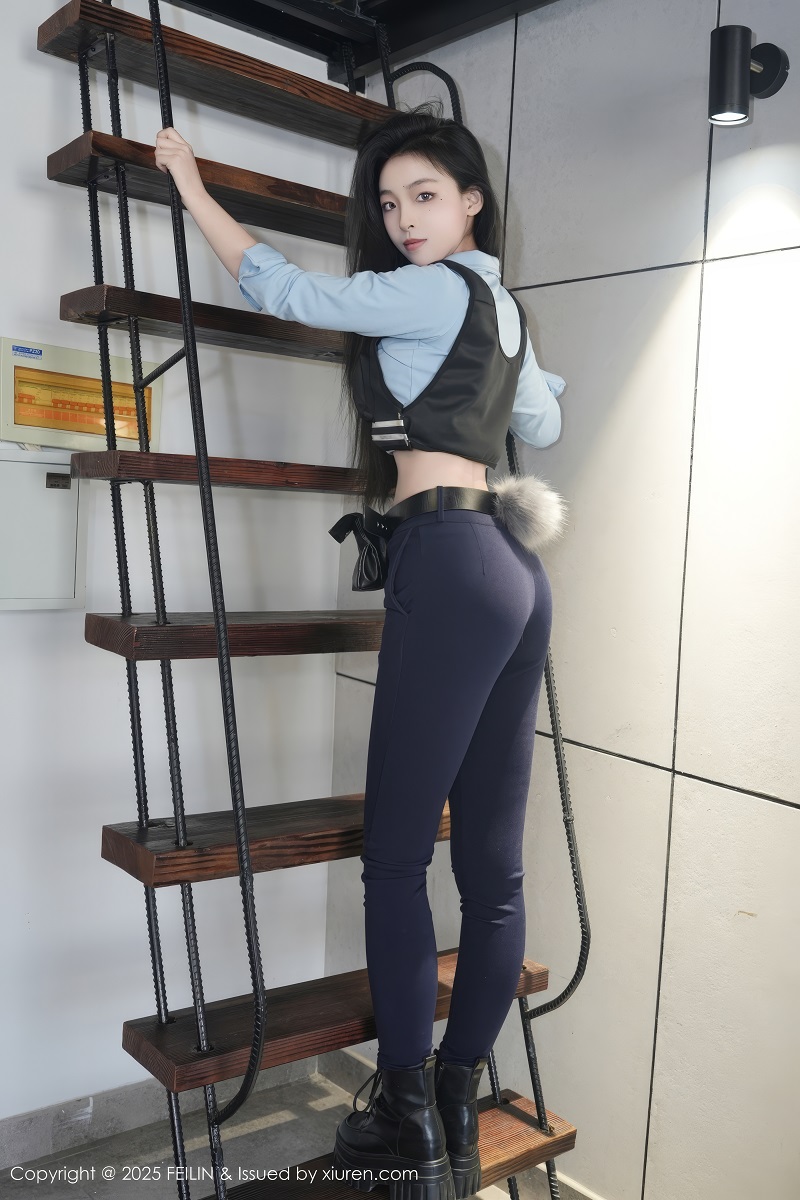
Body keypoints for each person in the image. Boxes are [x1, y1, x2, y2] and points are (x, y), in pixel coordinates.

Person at [154, 102, 567, 1200]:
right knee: (492, 871)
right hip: (515, 571)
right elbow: (541, 424)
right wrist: (505, 371)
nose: (403, 220)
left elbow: (288, 291)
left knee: (394, 858)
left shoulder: (428, 290)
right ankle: (455, 1108)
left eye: (424, 195)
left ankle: (403, 1118)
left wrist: (192, 187)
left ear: (472, 200)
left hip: (449, 560)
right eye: (388, 205)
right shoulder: (501, 305)